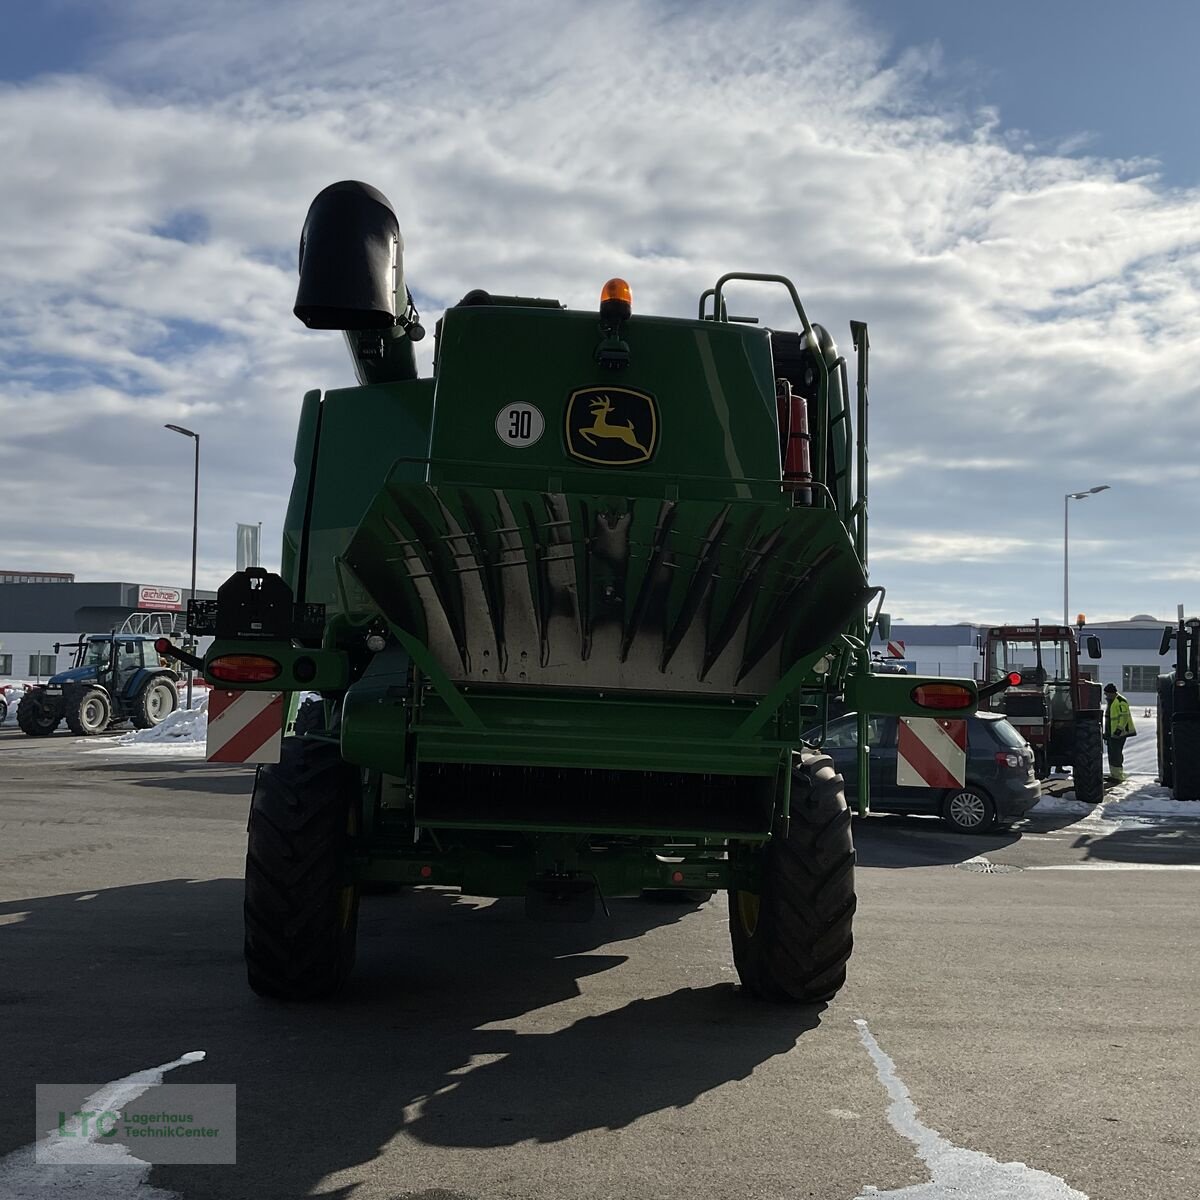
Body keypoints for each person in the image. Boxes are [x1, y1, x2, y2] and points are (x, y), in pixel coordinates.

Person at [1103, 683, 1137, 782]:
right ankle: (1114, 774)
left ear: (1112, 693)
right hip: (1112, 733)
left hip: (1119, 734)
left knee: (1116, 754)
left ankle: (1118, 776)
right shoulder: (1111, 702)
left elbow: (1124, 717)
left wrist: (1118, 730)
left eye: (1107, 693)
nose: (1106, 696)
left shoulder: (1121, 701)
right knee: (1112, 754)